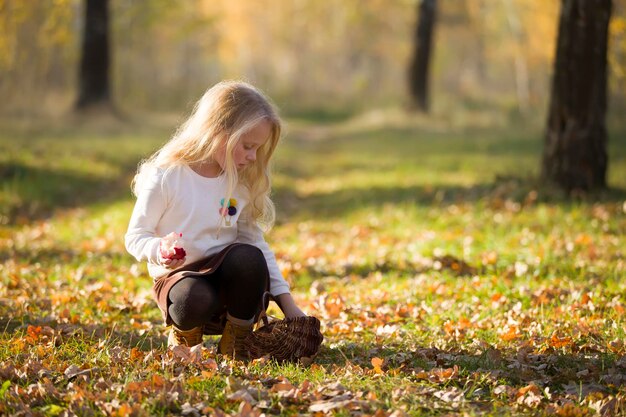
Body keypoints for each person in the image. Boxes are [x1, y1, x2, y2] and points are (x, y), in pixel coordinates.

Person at [125, 80, 306, 360]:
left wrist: (287, 304)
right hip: (181, 283)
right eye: (247, 146)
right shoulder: (167, 176)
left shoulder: (239, 183)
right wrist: (158, 251)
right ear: (219, 131)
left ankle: (236, 339)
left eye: (257, 149)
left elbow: (258, 246)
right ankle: (185, 335)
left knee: (249, 256)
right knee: (194, 295)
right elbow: (135, 236)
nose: (252, 156)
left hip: (228, 289)